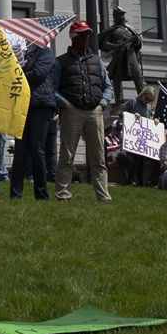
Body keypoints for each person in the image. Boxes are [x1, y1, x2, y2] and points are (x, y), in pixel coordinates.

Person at [54, 20, 112, 201]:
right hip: (72, 113)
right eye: (81, 34)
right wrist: (66, 105)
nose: (85, 38)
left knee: (99, 158)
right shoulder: (61, 61)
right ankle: (63, 195)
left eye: (87, 34)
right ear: (72, 36)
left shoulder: (97, 60)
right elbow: (53, 89)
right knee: (66, 156)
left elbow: (107, 86)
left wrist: (102, 104)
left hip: (94, 111)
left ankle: (103, 196)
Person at [9, 35, 55, 200]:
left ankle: (41, 194)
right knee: (20, 151)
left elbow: (38, 73)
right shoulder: (24, 54)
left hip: (41, 104)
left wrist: (18, 74)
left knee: (37, 149)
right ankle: (15, 194)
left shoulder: (46, 53)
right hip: (23, 103)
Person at [99, 7, 146, 101]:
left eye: (123, 15)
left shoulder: (130, 29)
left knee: (137, 75)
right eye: (121, 15)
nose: (123, 16)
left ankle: (143, 99)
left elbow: (137, 44)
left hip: (130, 54)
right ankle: (118, 100)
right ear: (116, 17)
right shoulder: (112, 30)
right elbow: (105, 43)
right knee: (117, 76)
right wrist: (116, 46)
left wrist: (135, 41)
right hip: (119, 55)